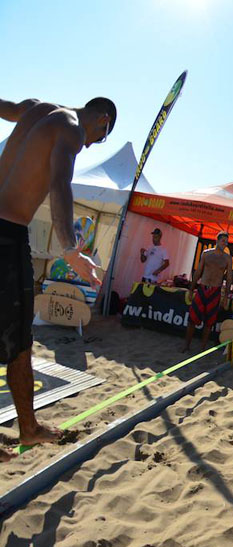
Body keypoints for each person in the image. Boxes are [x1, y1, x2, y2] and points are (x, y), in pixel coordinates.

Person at [0, 96, 114, 462]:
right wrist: (69, 249)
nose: (93, 144)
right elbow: (60, 184)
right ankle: (28, 428)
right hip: (6, 234)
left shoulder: (37, 108)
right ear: (102, 119)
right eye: (101, 137)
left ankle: (28, 427)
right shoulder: (72, 130)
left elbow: (6, 107)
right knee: (19, 342)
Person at [183, 231, 232, 352]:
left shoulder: (227, 258)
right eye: (223, 241)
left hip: (215, 291)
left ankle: (202, 349)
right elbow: (198, 271)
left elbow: (229, 278)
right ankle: (186, 346)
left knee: (209, 322)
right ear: (217, 240)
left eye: (226, 242)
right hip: (202, 288)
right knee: (192, 319)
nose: (225, 244)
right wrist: (191, 289)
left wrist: (226, 296)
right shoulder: (206, 254)